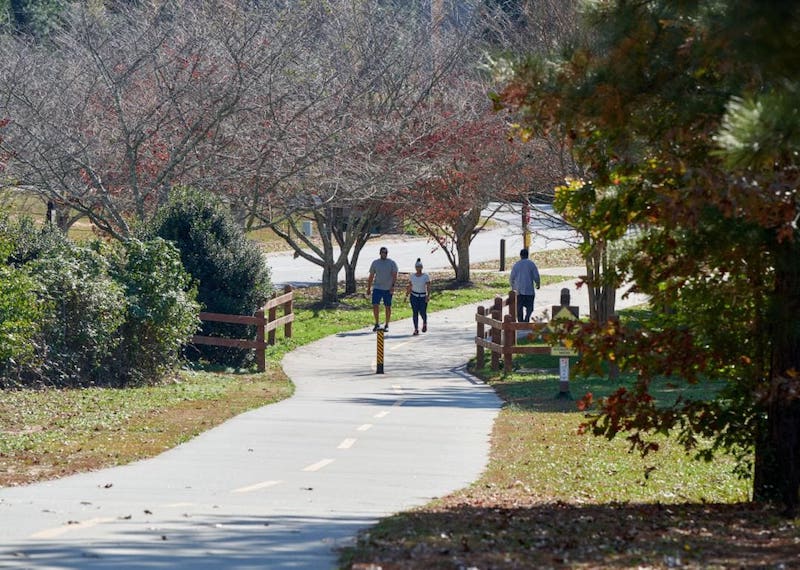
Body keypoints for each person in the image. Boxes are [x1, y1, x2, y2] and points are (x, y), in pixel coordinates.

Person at [366, 246, 398, 331]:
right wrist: (368, 288)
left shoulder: (392, 263)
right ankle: (377, 323)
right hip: (377, 287)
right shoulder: (375, 263)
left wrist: (392, 286)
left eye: (386, 253)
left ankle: (387, 324)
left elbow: (395, 275)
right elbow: (371, 276)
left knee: (388, 306)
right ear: (380, 253)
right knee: (375, 305)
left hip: (388, 288)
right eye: (383, 252)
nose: (384, 254)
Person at [509, 247, 540, 322]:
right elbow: (536, 276)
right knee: (530, 307)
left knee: (519, 307)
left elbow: (511, 277)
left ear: (520, 255)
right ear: (527, 255)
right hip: (529, 290)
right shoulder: (531, 264)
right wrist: (538, 284)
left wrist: (513, 287)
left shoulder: (516, 265)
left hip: (519, 290)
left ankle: (520, 321)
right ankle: (527, 318)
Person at [404, 258, 431, 335]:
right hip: (414, 296)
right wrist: (406, 296)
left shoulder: (425, 276)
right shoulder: (412, 276)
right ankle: (416, 329)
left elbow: (428, 286)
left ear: (422, 267)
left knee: (422, 312)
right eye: (417, 267)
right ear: (415, 267)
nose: (418, 268)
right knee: (415, 312)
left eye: (419, 267)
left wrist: (428, 296)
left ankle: (424, 323)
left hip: (422, 296)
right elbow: (410, 286)